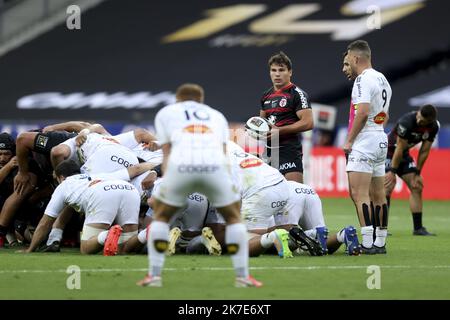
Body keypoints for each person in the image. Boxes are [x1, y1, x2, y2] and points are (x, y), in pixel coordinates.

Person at [137, 83, 261, 288]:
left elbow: (167, 153)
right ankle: (243, 277)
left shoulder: (166, 113)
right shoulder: (216, 115)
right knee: (233, 218)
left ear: (178, 100)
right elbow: (223, 154)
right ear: (201, 101)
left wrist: (169, 182)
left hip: (181, 164)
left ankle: (154, 276)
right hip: (214, 166)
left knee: (161, 217)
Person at [25, 159, 154, 254]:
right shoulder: (97, 175)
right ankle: (147, 233)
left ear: (61, 177)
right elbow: (135, 169)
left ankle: (106, 235)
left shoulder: (64, 185)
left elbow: (45, 222)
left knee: (86, 248)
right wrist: (155, 166)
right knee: (124, 248)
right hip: (128, 189)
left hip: (101, 193)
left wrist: (30, 249)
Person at [342, 40, 392, 254]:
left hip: (365, 141)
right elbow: (384, 114)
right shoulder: (383, 79)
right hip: (380, 137)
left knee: (359, 193)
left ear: (355, 58)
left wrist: (350, 141)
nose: (345, 68)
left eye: (347, 62)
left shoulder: (362, 80)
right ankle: (380, 243)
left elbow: (361, 113)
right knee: (379, 194)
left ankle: (367, 242)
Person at [384, 104, 439, 236]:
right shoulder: (406, 122)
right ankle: (381, 229)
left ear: (430, 121)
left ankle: (418, 228)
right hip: (388, 152)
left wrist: (417, 173)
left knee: (417, 186)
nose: (419, 121)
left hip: (404, 155)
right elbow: (399, 147)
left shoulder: (433, 127)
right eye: (419, 117)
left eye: (423, 121)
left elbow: (424, 150)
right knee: (387, 187)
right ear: (418, 112)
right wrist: (392, 171)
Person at [259, 51, 314, 183]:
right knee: (270, 196)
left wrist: (279, 130)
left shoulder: (297, 94)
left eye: (281, 70)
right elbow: (262, 124)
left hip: (289, 150)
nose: (277, 74)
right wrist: (254, 130)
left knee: (294, 196)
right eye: (273, 70)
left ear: (290, 72)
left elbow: (308, 123)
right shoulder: (265, 96)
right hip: (269, 152)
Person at [273, 180, 362, 256]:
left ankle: (311, 234)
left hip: (288, 193)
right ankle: (342, 235)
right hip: (308, 190)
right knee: (320, 244)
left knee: (281, 237)